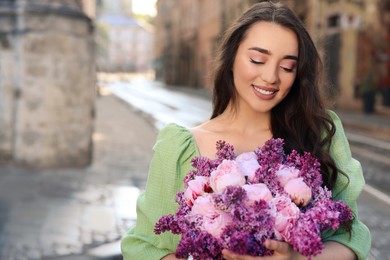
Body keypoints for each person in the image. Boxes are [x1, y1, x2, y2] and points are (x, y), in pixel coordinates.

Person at [121, 2, 371, 259]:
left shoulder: (317, 133)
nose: (271, 77)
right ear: (231, 58)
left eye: (287, 67)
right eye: (257, 59)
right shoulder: (179, 146)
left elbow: (352, 238)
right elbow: (144, 246)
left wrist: (296, 258)